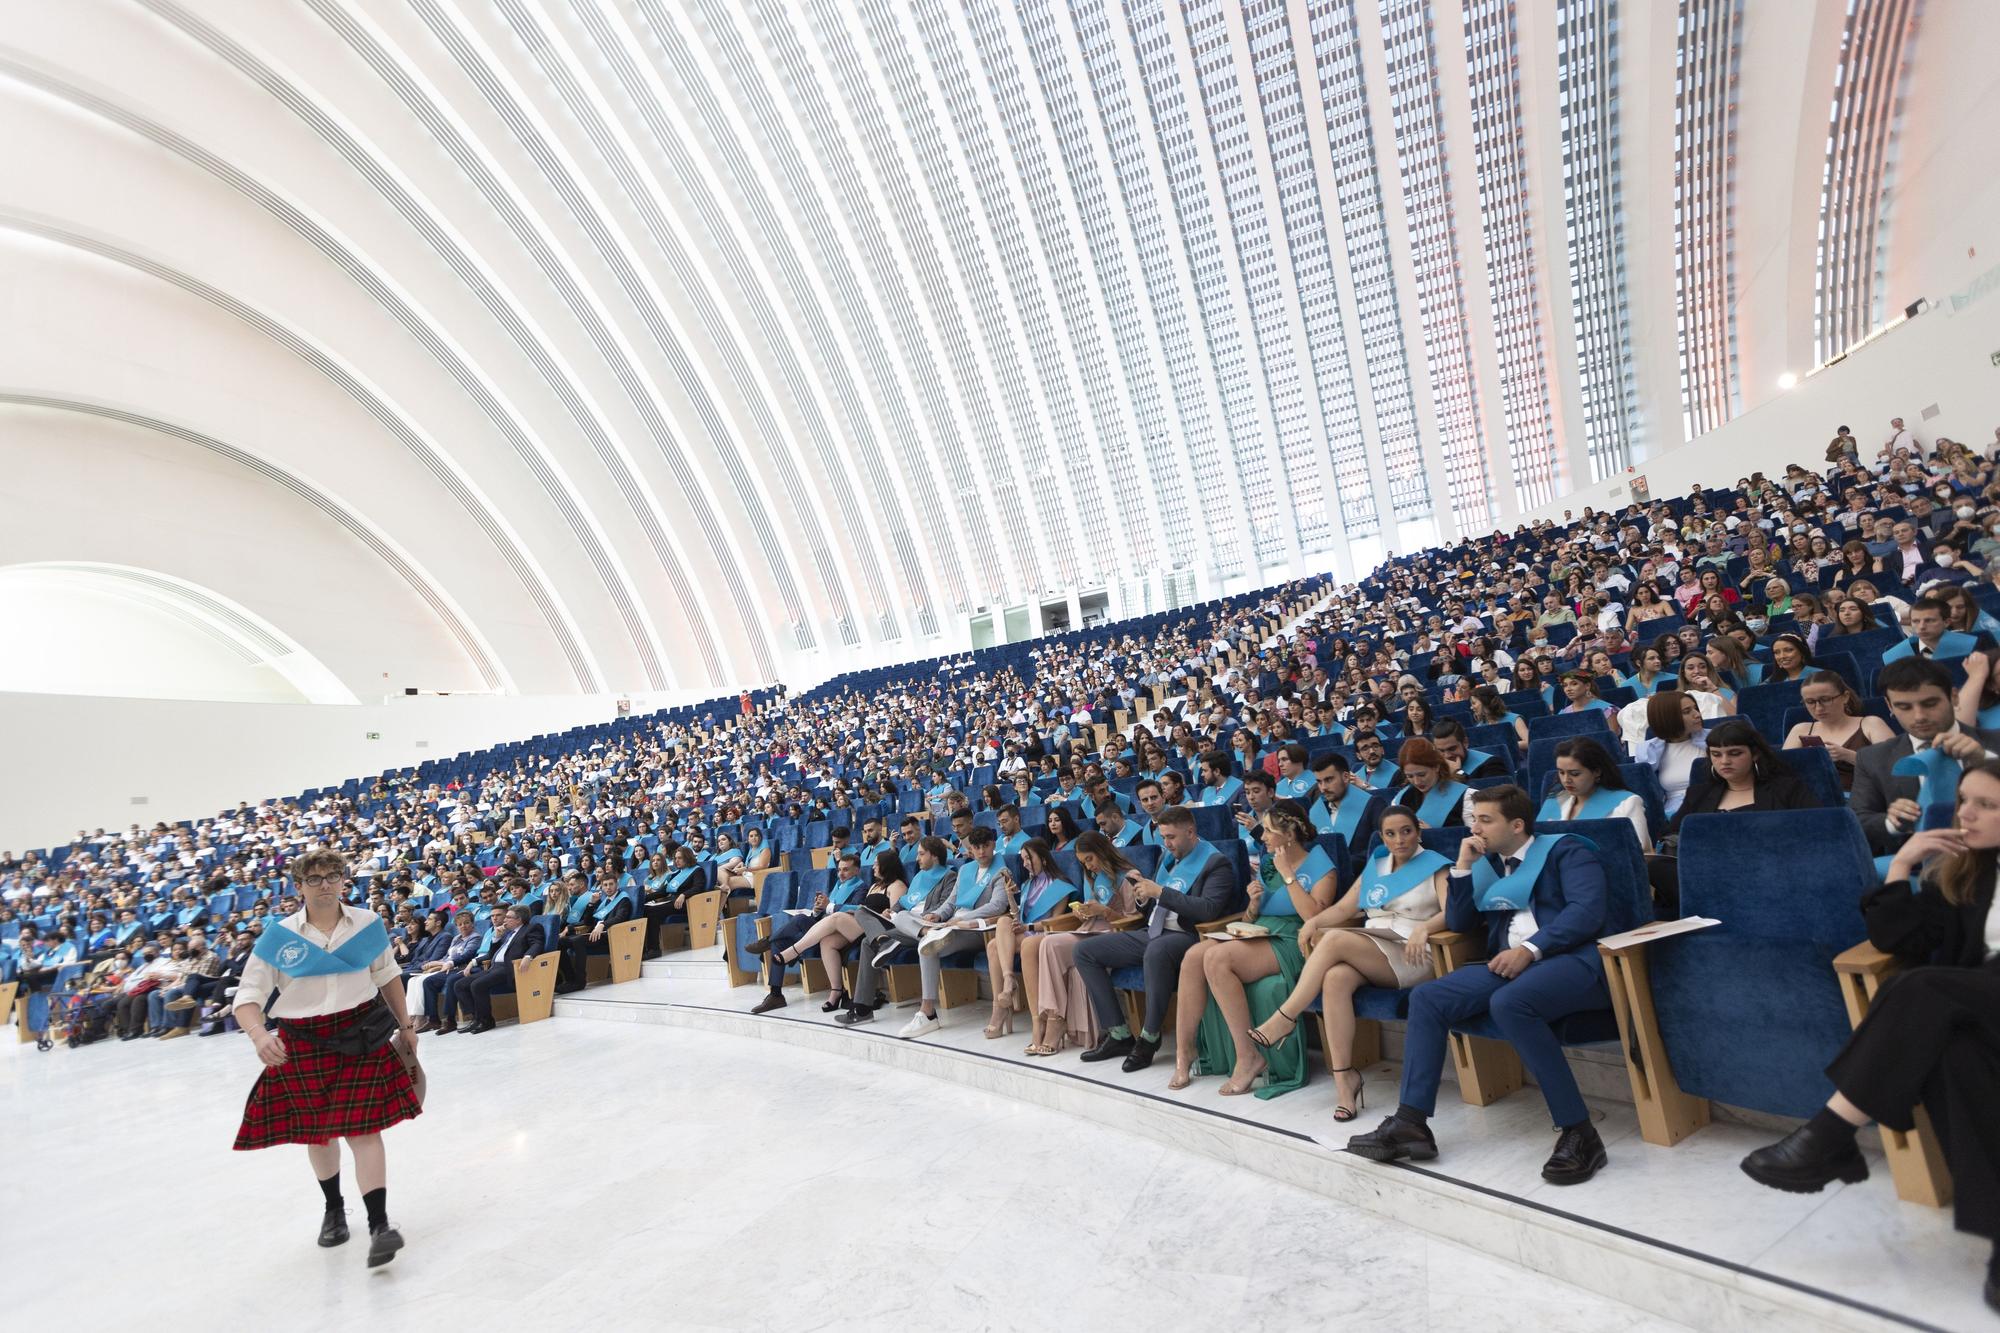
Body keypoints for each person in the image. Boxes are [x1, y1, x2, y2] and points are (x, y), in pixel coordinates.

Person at [1740, 764, 2000, 1314]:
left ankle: (1831, 1136)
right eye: (1965, 802)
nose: (1966, 815)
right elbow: (1896, 936)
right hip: (1980, 1006)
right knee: (1950, 1050)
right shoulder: (1971, 872)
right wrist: (1903, 864)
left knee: (1922, 987)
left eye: (1987, 805)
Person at [1347, 786, 1616, 1184]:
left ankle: (1580, 1132)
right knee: (1428, 998)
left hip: (1571, 961)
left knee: (1510, 1003)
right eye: (1474, 819)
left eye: (1485, 820)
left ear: (1517, 824)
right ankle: (1411, 1122)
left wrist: (1530, 949)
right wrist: (1462, 867)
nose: (1475, 827)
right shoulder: (1491, 864)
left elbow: (1586, 911)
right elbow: (1459, 924)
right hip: (1506, 963)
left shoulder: (1567, 852)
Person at [231, 846, 417, 1266]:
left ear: (343, 879)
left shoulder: (368, 924)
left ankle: (379, 1225)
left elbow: (387, 977)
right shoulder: (280, 937)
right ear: (298, 886)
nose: (325, 885)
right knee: (319, 1134)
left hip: (361, 1035)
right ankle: (333, 1209)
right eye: (314, 878)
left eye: (333, 875)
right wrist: (259, 1035)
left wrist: (406, 1027)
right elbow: (247, 998)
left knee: (365, 1131)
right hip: (304, 1043)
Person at [1247, 806, 1448, 1121]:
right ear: (1382, 837)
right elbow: (1341, 910)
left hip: (1414, 954)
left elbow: (1452, 912)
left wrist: (1425, 928)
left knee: (1336, 940)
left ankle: (1286, 1016)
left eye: (1407, 831)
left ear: (1418, 832)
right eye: (1391, 834)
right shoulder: (1376, 866)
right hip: (1374, 948)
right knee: (1335, 978)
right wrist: (1313, 924)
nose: (1399, 840)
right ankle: (1345, 1083)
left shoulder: (1436, 866)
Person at [1168, 802, 1339, 1098]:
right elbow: (1252, 919)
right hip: (1260, 932)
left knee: (1217, 957)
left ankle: (1248, 1057)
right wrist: (1252, 906)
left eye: (1269, 831)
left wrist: (1289, 876)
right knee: (1194, 956)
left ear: (1290, 834)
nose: (1262, 837)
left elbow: (1314, 918)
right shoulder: (1269, 865)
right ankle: (1186, 1050)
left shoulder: (1323, 867)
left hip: (1295, 940)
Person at [1071, 806, 1239, 1072]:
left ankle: (1150, 1037)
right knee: (1085, 952)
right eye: (1163, 837)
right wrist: (1142, 895)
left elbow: (1208, 909)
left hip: (1187, 935)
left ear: (1191, 832)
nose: (1166, 843)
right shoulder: (1167, 858)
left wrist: (1160, 891)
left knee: (1157, 950)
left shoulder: (1216, 862)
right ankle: (1119, 1033)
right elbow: (1150, 907)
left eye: (1171, 837)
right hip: (1152, 931)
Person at [1851, 657, 2000, 856]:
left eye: (1930, 704)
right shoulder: (1872, 758)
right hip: (1923, 867)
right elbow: (1859, 821)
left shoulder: (1995, 743)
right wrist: (1891, 821)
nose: (1919, 716)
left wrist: (1987, 762)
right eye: (1904, 707)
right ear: (1889, 706)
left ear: (1954, 697)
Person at [1020, 832, 1139, 1056]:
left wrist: (1105, 911)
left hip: (1114, 936)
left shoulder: (1129, 876)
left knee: (1056, 946)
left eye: (1090, 859)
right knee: (1049, 943)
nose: (1088, 866)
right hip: (1089, 930)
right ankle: (1055, 1018)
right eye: (1083, 862)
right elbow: (1091, 911)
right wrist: (1083, 912)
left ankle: (1057, 1025)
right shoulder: (1092, 877)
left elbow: (1133, 921)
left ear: (1102, 852)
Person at [899, 826, 1016, 1039]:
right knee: (902, 918)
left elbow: (997, 906)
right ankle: (928, 930)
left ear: (993, 846)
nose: (981, 852)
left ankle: (927, 1012)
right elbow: (951, 902)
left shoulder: (1001, 871)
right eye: (977, 847)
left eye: (986, 846)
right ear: (971, 849)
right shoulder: (965, 870)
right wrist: (937, 916)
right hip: (950, 925)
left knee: (927, 946)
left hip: (975, 929)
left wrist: (961, 920)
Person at [981, 838, 1073, 1038]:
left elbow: (1056, 922)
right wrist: (1011, 897)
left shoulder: (1060, 886)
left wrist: (1028, 926)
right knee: (1002, 928)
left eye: (1029, 858)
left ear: (1043, 857)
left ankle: (1001, 1008)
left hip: (1042, 934)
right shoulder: (1028, 883)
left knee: (995, 946)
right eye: (1022, 859)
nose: (1025, 864)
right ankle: (1007, 983)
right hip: (1024, 931)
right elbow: (1017, 916)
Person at [1784, 669, 1895, 792]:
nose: (1818, 708)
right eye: (1810, 702)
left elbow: (1894, 765)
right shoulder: (1800, 729)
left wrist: (1847, 756)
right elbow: (1782, 772)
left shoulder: (1870, 723)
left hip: (1861, 798)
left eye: (1826, 699)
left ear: (1845, 697)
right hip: (1813, 800)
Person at [453, 904, 547, 1035]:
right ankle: (476, 1018)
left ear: (519, 919)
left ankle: (487, 1021)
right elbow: (492, 953)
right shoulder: (507, 932)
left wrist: (528, 956)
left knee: (477, 985)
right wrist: (496, 937)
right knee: (460, 984)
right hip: (494, 968)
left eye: (508, 917)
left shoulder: (531, 928)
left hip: (509, 968)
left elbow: (537, 943)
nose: (504, 920)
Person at [1540, 737, 1649, 847]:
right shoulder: (1555, 800)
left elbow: (1639, 852)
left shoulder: (1627, 803)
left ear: (1596, 772)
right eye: (1561, 772)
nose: (1565, 780)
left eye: (1575, 774)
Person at [1634, 691, 1709, 817]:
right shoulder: (1648, 750)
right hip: (1674, 814)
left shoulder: (1715, 739)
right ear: (1668, 717)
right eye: (1687, 711)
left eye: (1695, 708)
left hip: (1713, 805)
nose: (1697, 714)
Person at [1387, 739, 1467, 829]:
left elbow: (1477, 839)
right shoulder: (1400, 799)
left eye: (1422, 775)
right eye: (1410, 776)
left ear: (1436, 767)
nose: (1417, 781)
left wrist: (1432, 834)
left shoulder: (1465, 797)